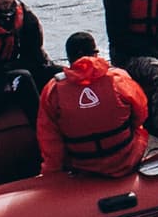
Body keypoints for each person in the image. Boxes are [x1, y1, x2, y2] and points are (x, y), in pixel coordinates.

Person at [35, 34, 151, 182]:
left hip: (83, 167)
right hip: (126, 160)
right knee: (139, 129)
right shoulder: (118, 78)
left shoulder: (53, 90)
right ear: (95, 54)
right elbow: (141, 114)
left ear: (69, 59)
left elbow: (49, 140)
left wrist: (52, 174)